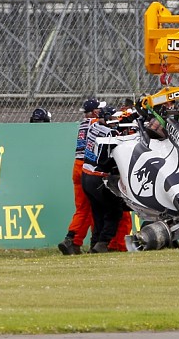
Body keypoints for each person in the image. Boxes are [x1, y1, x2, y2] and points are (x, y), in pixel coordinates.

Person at [57, 98, 103, 255]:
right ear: (94, 112)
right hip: (87, 166)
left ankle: (74, 242)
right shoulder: (95, 123)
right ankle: (76, 240)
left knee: (83, 208)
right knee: (93, 208)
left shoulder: (83, 124)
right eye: (99, 110)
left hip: (77, 166)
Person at [80, 105, 128, 253]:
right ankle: (103, 242)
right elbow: (109, 159)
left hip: (85, 176)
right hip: (97, 178)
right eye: (114, 118)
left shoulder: (94, 126)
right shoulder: (110, 133)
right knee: (115, 210)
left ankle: (95, 243)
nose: (116, 121)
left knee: (98, 212)